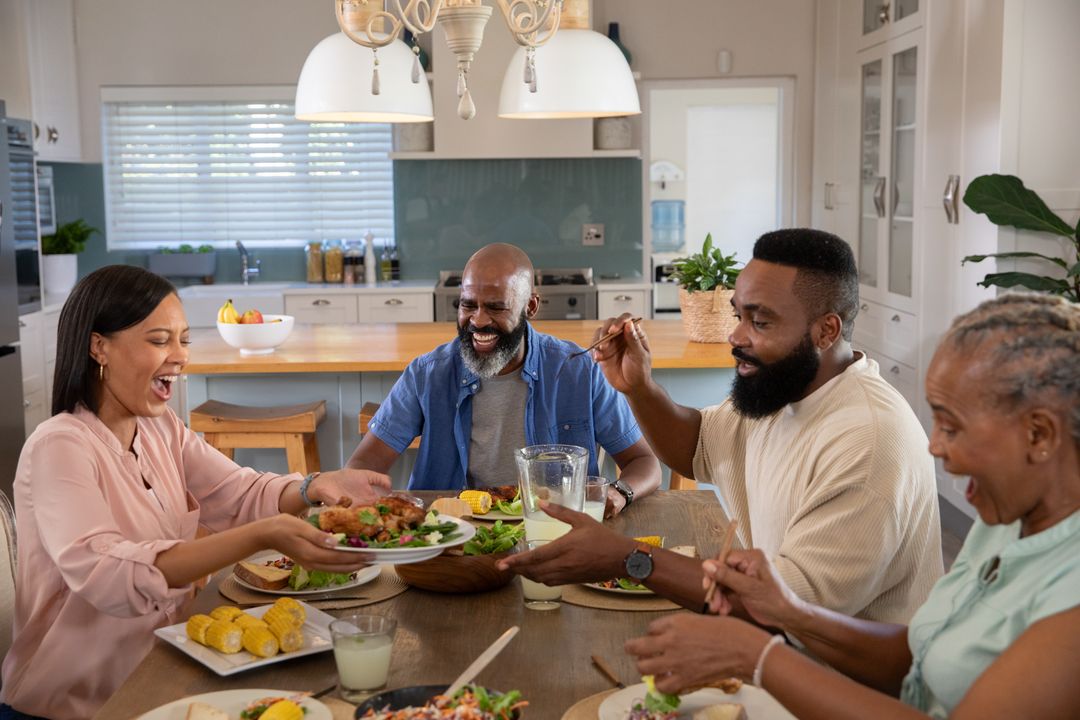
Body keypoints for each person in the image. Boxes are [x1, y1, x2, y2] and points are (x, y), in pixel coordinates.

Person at [625, 293, 1080, 719]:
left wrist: (756, 656)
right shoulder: (1005, 522)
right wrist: (789, 611)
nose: (935, 447)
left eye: (952, 426)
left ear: (1039, 436)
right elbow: (920, 658)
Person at [0, 266, 391, 720]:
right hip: (77, 706)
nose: (179, 356)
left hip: (163, 675)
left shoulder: (159, 428)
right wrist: (261, 536)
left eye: (184, 340)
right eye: (159, 339)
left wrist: (314, 485)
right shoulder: (59, 446)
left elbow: (238, 491)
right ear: (98, 346)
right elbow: (109, 575)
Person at [500, 229, 942, 622]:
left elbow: (783, 608)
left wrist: (627, 558)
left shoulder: (869, 441)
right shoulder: (784, 389)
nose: (736, 336)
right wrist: (639, 388)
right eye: (738, 315)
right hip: (770, 656)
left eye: (761, 321)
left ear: (826, 331)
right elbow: (696, 448)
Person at [346, 243, 660, 517]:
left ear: (531, 306)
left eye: (496, 307)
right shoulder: (428, 373)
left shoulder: (580, 370)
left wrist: (620, 493)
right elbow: (363, 466)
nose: (478, 320)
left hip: (554, 531)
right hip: (453, 536)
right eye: (468, 305)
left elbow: (645, 463)